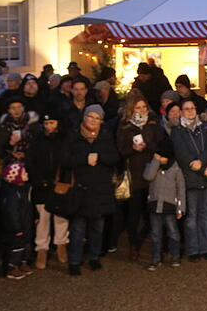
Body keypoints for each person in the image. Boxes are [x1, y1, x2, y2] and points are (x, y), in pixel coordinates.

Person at [64, 104, 119, 275]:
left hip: (100, 189)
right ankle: (74, 261)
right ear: (84, 117)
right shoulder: (74, 136)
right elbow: (65, 160)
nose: (93, 121)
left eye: (97, 118)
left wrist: (100, 157)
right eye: (90, 117)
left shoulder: (106, 136)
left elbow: (115, 157)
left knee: (97, 228)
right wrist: (84, 159)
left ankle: (94, 257)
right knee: (77, 230)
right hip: (80, 189)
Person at [116, 91, 163, 261]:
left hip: (152, 172)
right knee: (134, 212)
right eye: (138, 107)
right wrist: (132, 149)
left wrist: (148, 145)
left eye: (144, 107)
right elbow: (120, 150)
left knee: (152, 211)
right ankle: (133, 244)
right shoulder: (125, 126)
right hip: (134, 174)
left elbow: (160, 143)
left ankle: (154, 242)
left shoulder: (153, 123)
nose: (142, 110)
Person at [171, 99, 207, 262]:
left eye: (192, 108)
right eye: (186, 109)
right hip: (189, 176)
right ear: (182, 111)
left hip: (206, 174)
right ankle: (193, 249)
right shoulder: (177, 130)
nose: (190, 111)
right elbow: (180, 151)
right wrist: (195, 163)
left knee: (204, 214)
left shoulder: (205, 127)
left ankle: (205, 247)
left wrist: (202, 162)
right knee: (191, 216)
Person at [25, 113, 69, 269]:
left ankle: (61, 244)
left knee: (60, 216)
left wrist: (64, 179)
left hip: (59, 183)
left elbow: (68, 160)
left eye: (52, 122)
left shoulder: (64, 139)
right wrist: (38, 180)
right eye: (46, 123)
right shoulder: (37, 140)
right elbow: (30, 161)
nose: (49, 126)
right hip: (41, 184)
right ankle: (42, 248)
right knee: (43, 217)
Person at [143, 136, 185, 270]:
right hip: (154, 204)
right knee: (155, 233)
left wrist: (181, 208)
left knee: (173, 232)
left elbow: (181, 189)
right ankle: (155, 258)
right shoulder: (153, 164)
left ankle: (175, 256)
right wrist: (156, 161)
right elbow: (148, 176)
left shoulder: (176, 168)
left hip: (169, 205)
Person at [0, 161, 35, 279]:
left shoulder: (24, 190)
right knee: (16, 247)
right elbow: (11, 213)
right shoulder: (12, 194)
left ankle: (23, 262)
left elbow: (29, 206)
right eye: (24, 173)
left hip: (26, 223)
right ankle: (12, 266)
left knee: (27, 244)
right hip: (17, 227)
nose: (27, 174)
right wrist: (16, 227)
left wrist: (35, 216)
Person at [0, 98, 41, 165]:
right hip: (11, 164)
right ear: (8, 110)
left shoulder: (33, 125)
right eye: (13, 108)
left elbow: (39, 145)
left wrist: (26, 154)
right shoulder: (4, 127)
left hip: (32, 163)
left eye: (19, 107)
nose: (17, 110)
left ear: (23, 108)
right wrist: (11, 144)